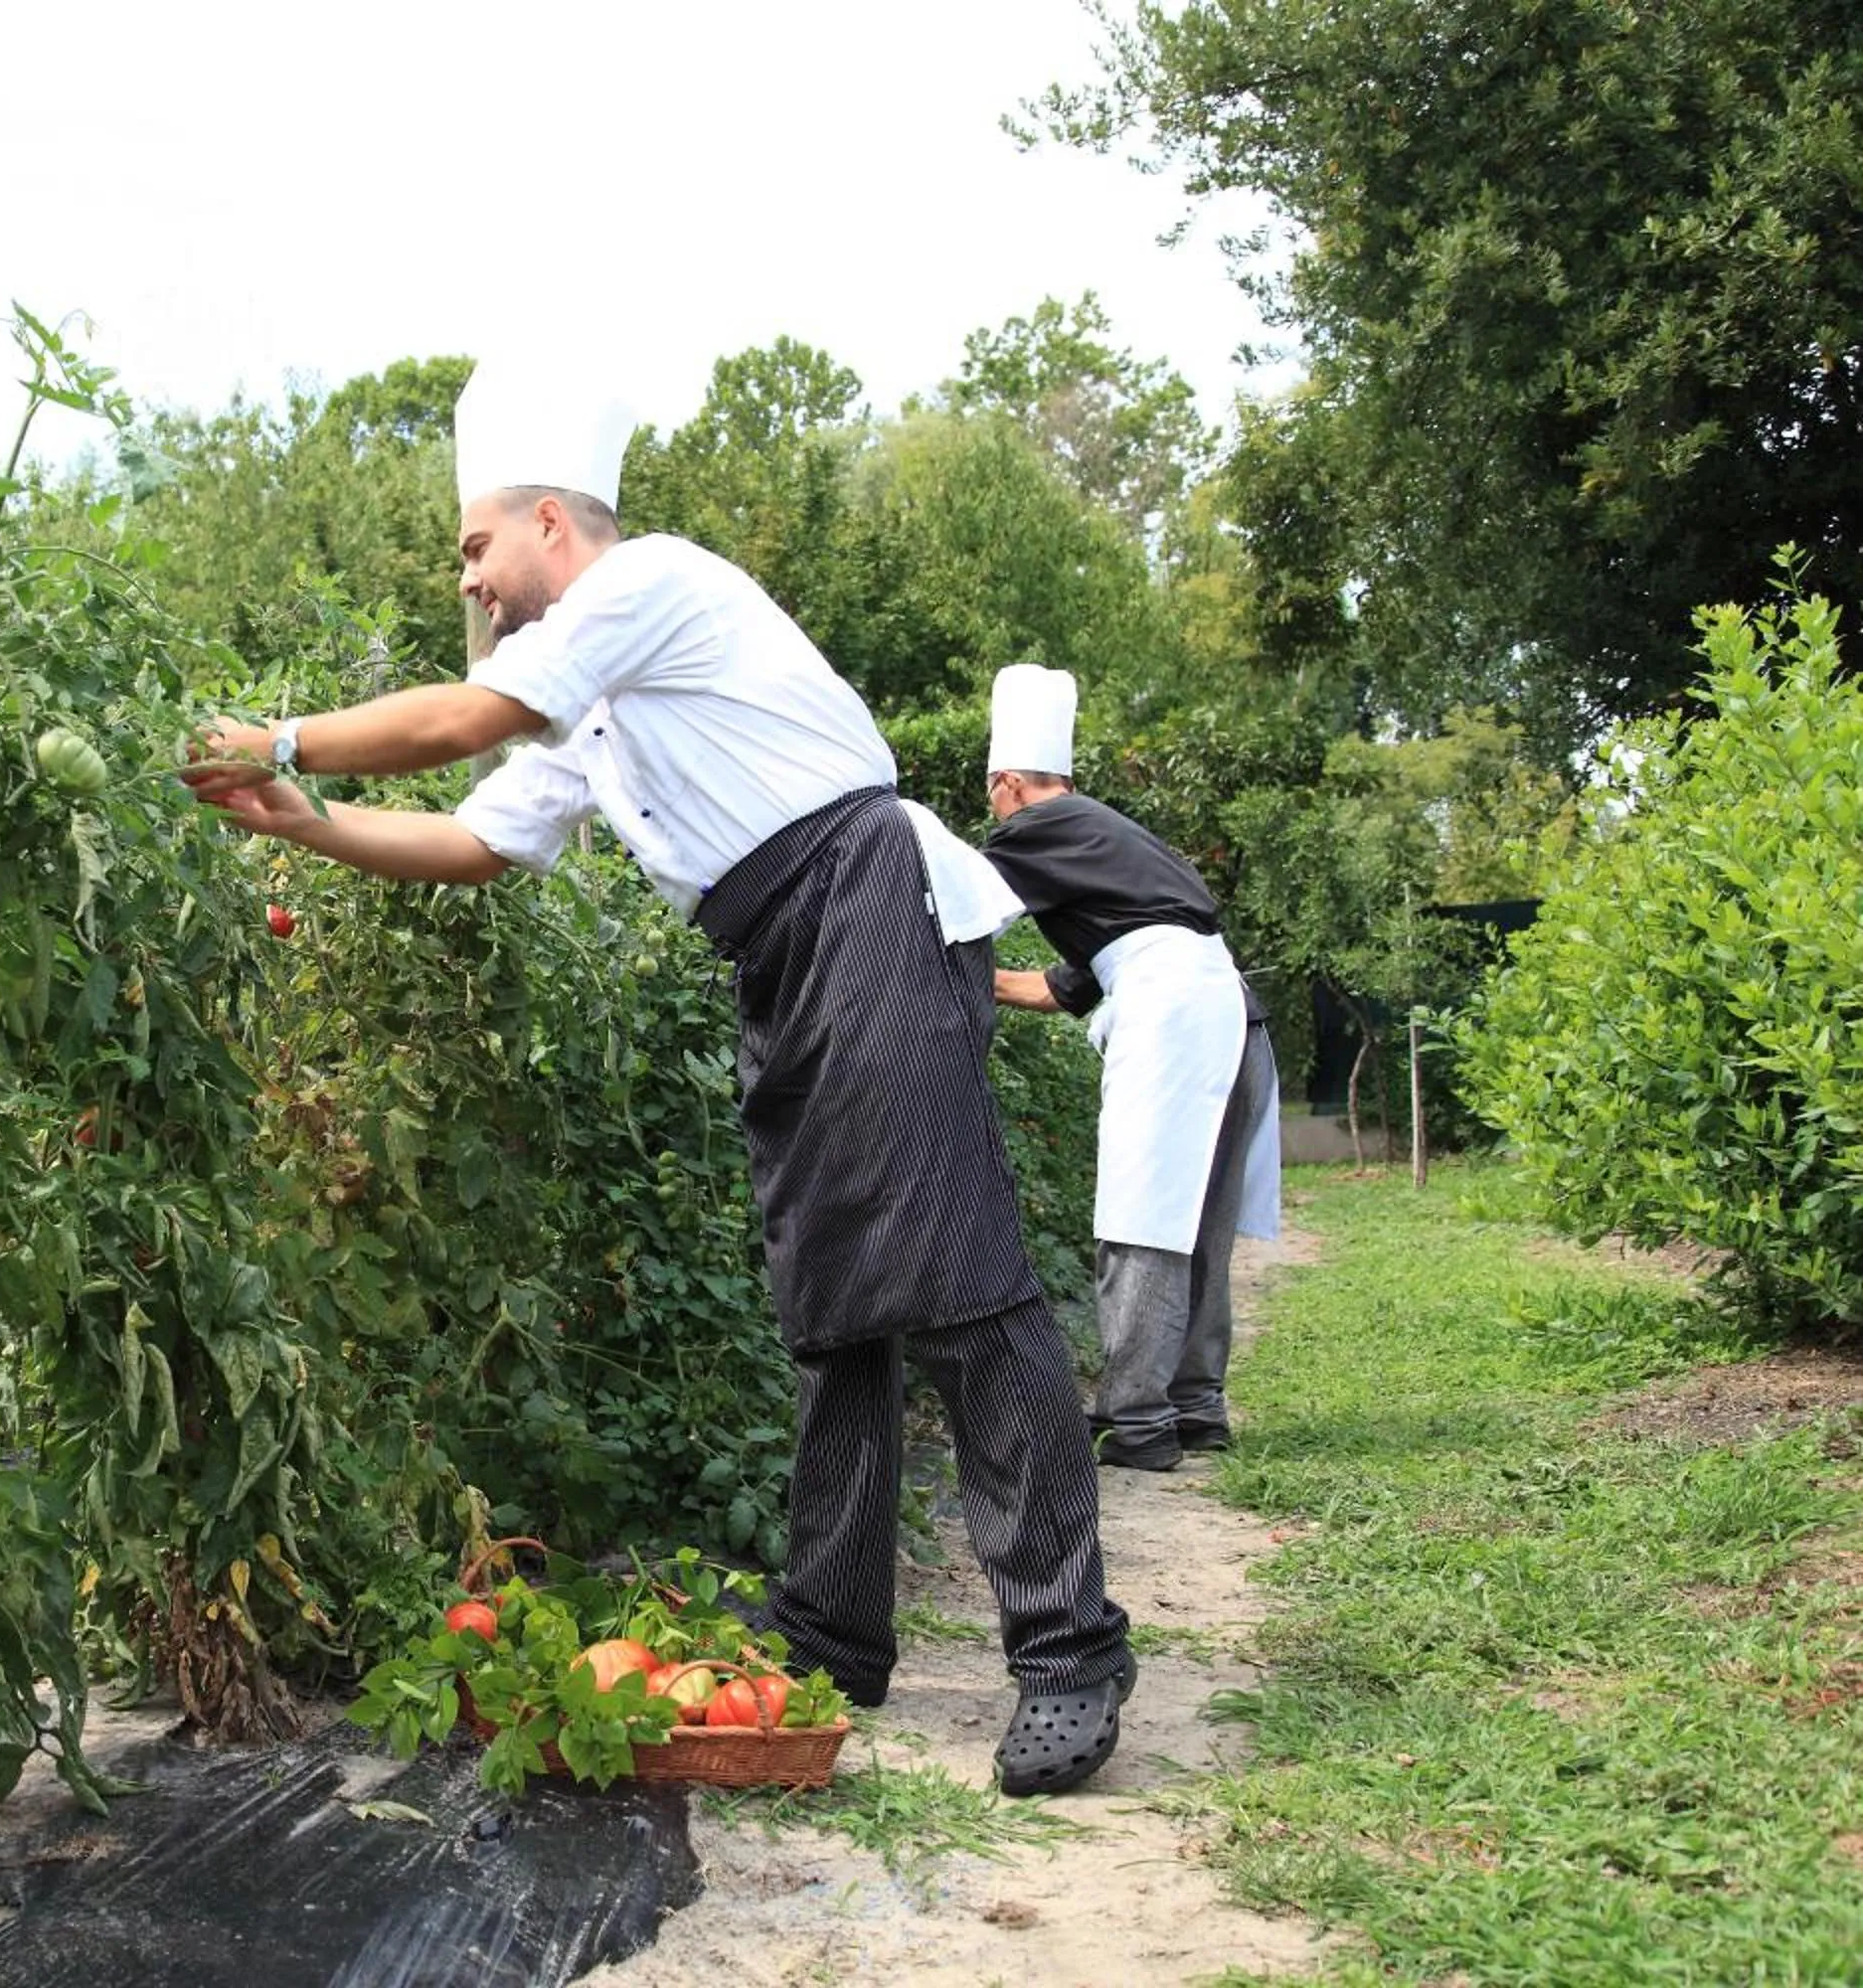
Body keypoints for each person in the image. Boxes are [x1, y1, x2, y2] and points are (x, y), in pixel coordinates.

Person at [180, 362, 1137, 1796]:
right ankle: (833, 1634)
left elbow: (459, 723)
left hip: (867, 900)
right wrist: (300, 819)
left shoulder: (652, 582)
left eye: (476, 548)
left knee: (955, 1282)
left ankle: (1069, 1651)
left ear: (553, 523)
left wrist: (286, 739)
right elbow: (479, 844)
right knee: (830, 1309)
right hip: (778, 951)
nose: (474, 581)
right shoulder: (595, 702)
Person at [977, 664, 1284, 1472]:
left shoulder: (1029, 832)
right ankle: (1195, 1408)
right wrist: (978, 982)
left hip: (1175, 1016)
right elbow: (1059, 983)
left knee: (1143, 1215)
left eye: (991, 796)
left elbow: (956, 900)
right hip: (1233, 1011)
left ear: (1008, 782)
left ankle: (1137, 1421)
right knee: (1202, 1223)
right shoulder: (1115, 848)